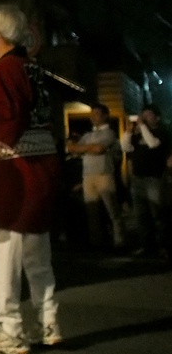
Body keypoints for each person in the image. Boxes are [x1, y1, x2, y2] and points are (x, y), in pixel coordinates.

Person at [0, 5, 62, 354]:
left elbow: (8, 121)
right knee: (37, 251)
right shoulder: (32, 68)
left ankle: (11, 329)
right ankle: (47, 323)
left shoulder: (5, 69)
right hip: (44, 164)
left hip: (17, 166)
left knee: (2, 250)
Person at [67, 104, 125, 250]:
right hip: (88, 176)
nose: (93, 117)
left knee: (112, 210)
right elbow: (72, 149)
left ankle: (120, 241)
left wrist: (83, 148)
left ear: (105, 116)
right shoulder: (88, 135)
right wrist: (89, 148)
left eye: (97, 114)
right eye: (92, 114)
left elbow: (99, 149)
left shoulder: (109, 133)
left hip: (104, 174)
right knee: (92, 212)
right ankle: (96, 242)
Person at [122, 105, 170, 258]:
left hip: (154, 178)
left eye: (149, 115)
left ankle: (164, 247)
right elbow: (126, 147)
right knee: (141, 216)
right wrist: (129, 132)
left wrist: (142, 126)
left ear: (157, 117)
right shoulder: (139, 134)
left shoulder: (161, 132)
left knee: (158, 214)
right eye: (144, 115)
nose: (144, 118)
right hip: (138, 178)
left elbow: (153, 144)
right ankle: (147, 247)